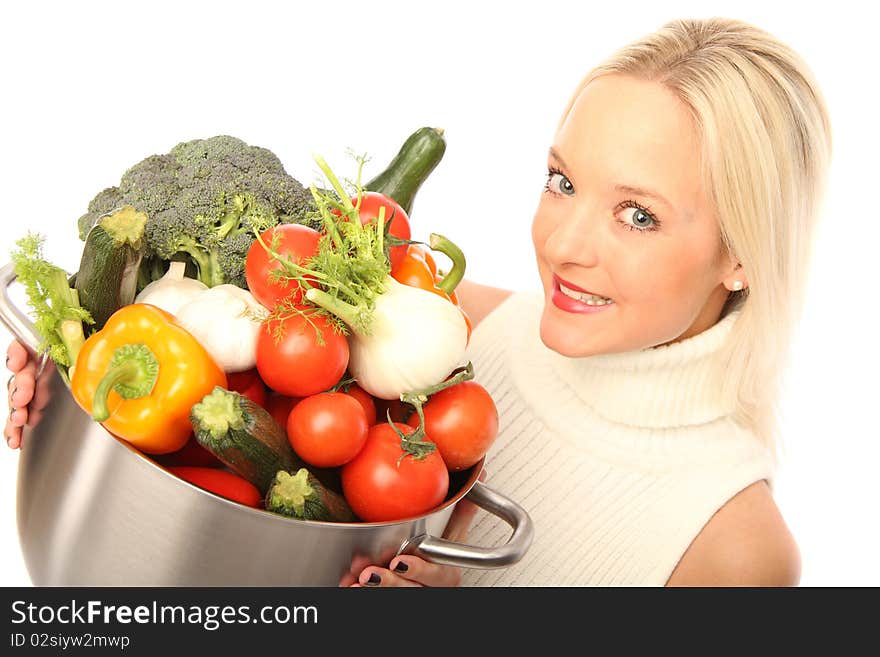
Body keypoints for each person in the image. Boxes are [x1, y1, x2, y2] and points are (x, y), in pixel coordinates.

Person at [5, 17, 831, 587]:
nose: (565, 243)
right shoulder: (451, 320)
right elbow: (219, 370)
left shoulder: (737, 545)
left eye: (638, 214)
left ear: (741, 254)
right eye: (562, 181)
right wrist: (73, 369)